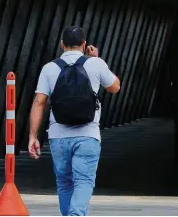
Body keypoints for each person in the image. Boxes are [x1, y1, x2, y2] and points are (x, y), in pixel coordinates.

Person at [28, 26, 120, 216]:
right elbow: (114, 87)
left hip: (58, 135)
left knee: (64, 182)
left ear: (62, 44)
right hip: (88, 134)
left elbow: (39, 102)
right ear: (84, 44)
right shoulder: (95, 63)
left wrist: (32, 136)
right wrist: (96, 59)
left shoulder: (50, 68)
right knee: (84, 181)